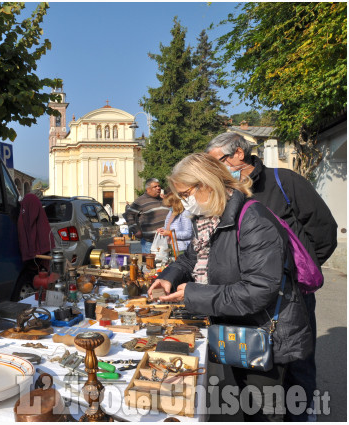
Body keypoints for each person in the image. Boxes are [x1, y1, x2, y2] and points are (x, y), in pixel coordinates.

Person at [148, 153, 313, 421]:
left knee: (259, 411)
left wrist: (192, 294)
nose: (183, 202)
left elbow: (257, 290)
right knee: (239, 405)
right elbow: (193, 256)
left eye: (185, 193)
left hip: (263, 336)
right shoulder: (210, 218)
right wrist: (170, 275)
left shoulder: (252, 220)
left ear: (207, 184)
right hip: (236, 328)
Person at [206, 132, 337, 421]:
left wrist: (298, 272)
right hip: (248, 296)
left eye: (218, 161)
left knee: (297, 360)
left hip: (291, 296)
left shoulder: (284, 181)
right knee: (251, 362)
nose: (215, 168)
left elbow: (324, 230)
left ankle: (301, 413)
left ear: (238, 153)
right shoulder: (227, 191)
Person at [124, 178, 168, 253]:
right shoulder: (140, 201)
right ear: (148, 189)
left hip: (166, 241)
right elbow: (128, 214)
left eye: (159, 186)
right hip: (150, 243)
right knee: (150, 264)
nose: (158, 188)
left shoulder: (163, 199)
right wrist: (136, 230)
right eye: (155, 187)